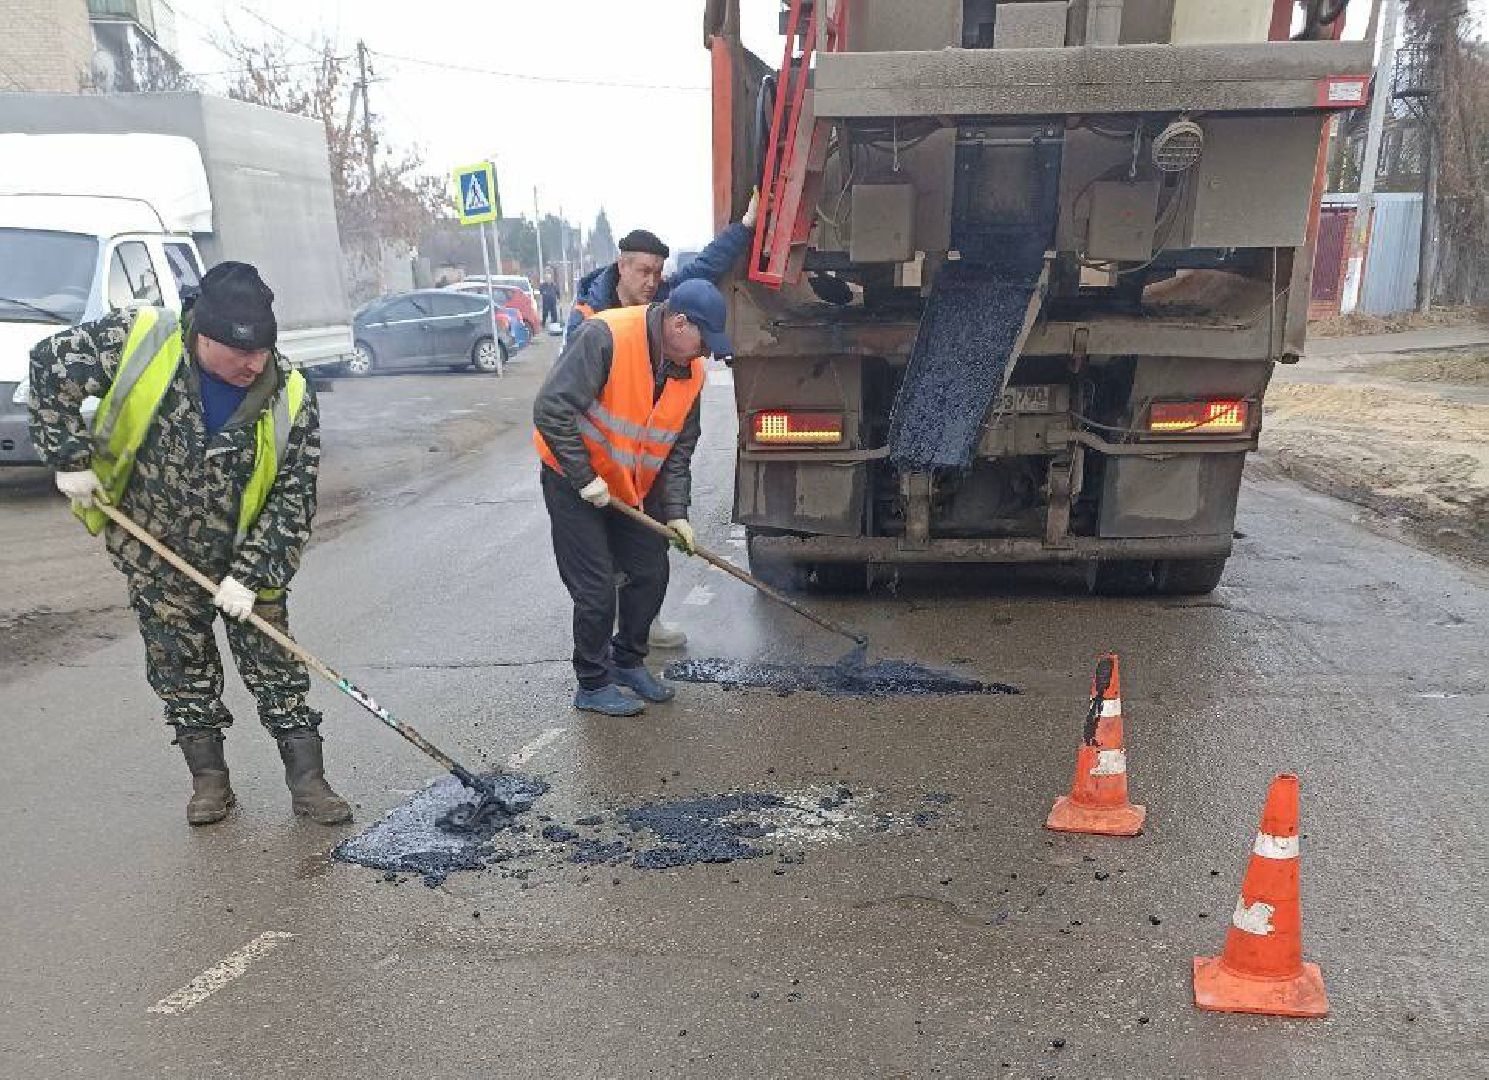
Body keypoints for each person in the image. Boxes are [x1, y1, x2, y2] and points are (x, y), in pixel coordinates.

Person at [27, 261, 352, 828]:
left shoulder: (291, 390)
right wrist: (68, 457)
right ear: (204, 334)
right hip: (156, 551)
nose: (255, 364)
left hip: (250, 558)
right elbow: (49, 365)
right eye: (240, 353)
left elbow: (294, 494)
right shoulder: (140, 341)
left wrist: (250, 576)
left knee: (277, 668)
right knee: (181, 667)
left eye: (263, 352)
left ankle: (309, 781)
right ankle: (210, 781)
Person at [566, 193, 757, 647]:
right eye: (643, 271)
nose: (652, 281)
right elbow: (567, 400)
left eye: (657, 272)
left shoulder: (670, 306)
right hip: (600, 459)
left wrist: (745, 227)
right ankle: (610, 638)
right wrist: (585, 472)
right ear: (621, 266)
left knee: (649, 549)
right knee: (607, 555)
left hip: (644, 457)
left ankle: (643, 625)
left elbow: (705, 268)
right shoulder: (591, 317)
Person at [533, 279, 731, 717]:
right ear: (680, 323)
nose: (706, 355)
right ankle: (592, 682)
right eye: (704, 342)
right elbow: (551, 408)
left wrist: (676, 513)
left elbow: (679, 449)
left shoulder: (691, 373)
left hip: (626, 488)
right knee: (596, 588)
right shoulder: (606, 336)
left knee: (650, 571)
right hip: (572, 480)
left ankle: (627, 662)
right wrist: (584, 477)